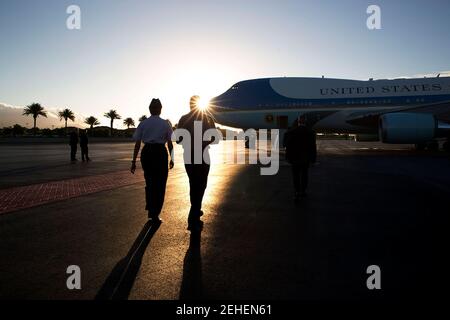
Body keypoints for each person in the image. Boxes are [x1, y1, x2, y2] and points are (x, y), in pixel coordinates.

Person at [130, 99, 174, 223]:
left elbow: (137, 144)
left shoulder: (143, 123)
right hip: (160, 153)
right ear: (160, 109)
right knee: (160, 184)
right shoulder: (165, 124)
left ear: (150, 109)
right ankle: (155, 213)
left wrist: (133, 161)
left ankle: (150, 209)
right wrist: (172, 158)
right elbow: (170, 143)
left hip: (147, 153)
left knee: (150, 182)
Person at [177, 95, 216, 231]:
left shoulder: (183, 118)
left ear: (189, 105)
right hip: (203, 154)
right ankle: (193, 215)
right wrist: (202, 144)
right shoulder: (208, 118)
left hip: (189, 155)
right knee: (202, 184)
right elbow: (214, 137)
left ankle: (196, 209)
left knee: (193, 183)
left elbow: (178, 139)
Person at [284, 115, 317, 201]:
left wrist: (287, 157)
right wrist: (313, 159)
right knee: (304, 175)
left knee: (295, 176)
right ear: (305, 122)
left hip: (294, 158)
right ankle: (303, 191)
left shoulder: (292, 131)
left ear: (298, 122)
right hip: (305, 158)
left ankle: (297, 191)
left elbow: (287, 145)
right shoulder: (310, 132)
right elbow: (313, 147)